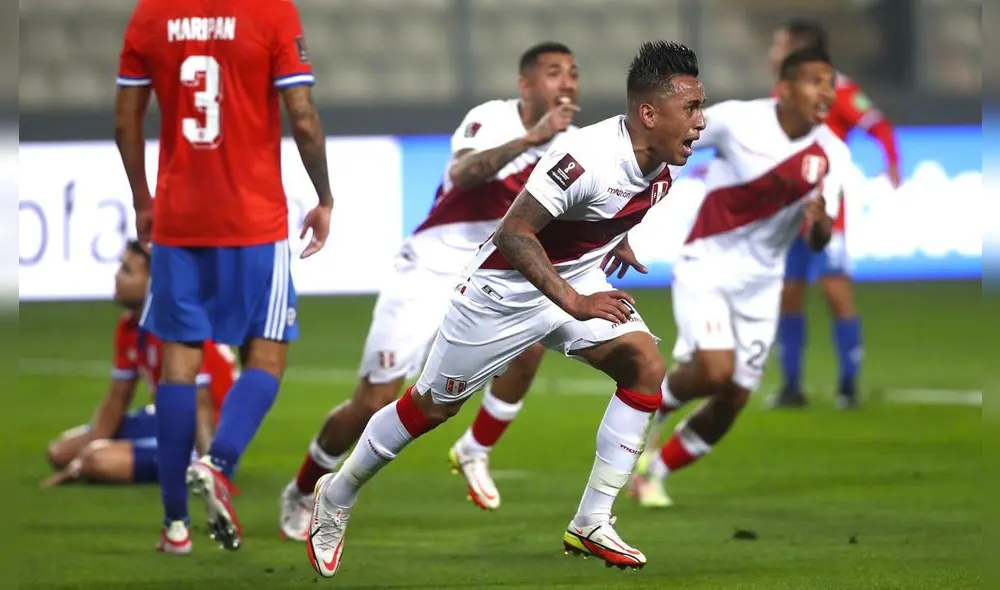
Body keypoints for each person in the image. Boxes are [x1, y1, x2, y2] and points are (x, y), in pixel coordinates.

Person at [305, 40, 706, 578]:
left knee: (645, 366)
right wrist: (576, 301)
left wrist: (615, 243)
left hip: (575, 279)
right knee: (431, 408)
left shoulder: (667, 158)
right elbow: (514, 233)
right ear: (648, 113)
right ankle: (337, 492)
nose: (700, 122)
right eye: (692, 109)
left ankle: (592, 520)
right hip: (502, 292)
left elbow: (607, 213)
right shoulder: (584, 157)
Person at [278, 42, 580, 539]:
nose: (566, 83)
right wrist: (532, 138)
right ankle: (303, 487)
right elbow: (463, 173)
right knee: (374, 400)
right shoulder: (494, 119)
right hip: (432, 266)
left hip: (491, 274)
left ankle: (475, 450)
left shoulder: (577, 146)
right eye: (553, 73)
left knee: (533, 341)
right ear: (526, 85)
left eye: (572, 74)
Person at [115, 0, 334, 553]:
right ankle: (218, 463)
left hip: (179, 216)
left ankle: (174, 527)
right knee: (267, 354)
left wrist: (143, 198)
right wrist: (325, 196)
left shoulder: (150, 15)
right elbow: (303, 118)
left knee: (178, 363)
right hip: (253, 219)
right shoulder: (272, 12)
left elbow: (125, 120)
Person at [629, 47, 850, 509]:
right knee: (714, 371)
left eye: (829, 82)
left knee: (733, 397)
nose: (826, 91)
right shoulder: (736, 121)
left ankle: (654, 471)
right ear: (785, 89)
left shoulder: (832, 153)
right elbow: (667, 143)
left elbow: (818, 242)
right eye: (814, 81)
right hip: (707, 264)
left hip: (763, 283)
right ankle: (656, 403)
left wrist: (822, 223)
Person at [767, 19, 901, 409]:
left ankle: (848, 386)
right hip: (788, 211)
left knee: (835, 292)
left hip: (828, 211)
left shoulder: (840, 89)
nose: (773, 52)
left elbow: (877, 125)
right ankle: (792, 387)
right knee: (789, 295)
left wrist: (892, 163)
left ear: (800, 48)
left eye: (780, 45)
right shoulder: (784, 91)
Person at [43, 241, 238, 488]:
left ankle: (198, 467)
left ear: (153, 282)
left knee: (98, 461)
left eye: (127, 270)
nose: (116, 277)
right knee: (60, 452)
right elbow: (118, 397)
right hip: (165, 417)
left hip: (203, 432)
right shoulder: (129, 327)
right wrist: (83, 456)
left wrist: (212, 466)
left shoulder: (176, 326)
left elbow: (201, 403)